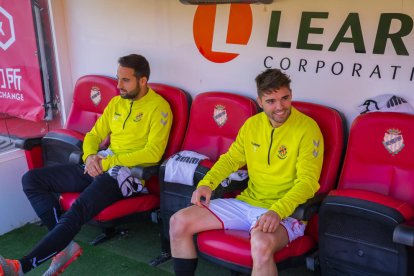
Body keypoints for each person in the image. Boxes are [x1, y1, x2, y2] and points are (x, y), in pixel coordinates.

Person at [0, 54, 172, 276]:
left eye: (125, 80)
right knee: (32, 180)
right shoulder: (116, 103)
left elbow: (153, 153)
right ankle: (65, 246)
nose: (118, 85)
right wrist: (90, 156)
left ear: (143, 81)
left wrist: (107, 161)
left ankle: (21, 268)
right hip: (99, 165)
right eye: (117, 78)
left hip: (125, 176)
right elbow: (93, 135)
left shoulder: (159, 107)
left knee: (78, 209)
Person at [169, 68, 324, 276]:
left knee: (260, 244)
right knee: (178, 222)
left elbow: (308, 182)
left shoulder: (308, 128)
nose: (280, 107)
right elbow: (232, 159)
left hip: (286, 212)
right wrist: (207, 183)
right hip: (246, 203)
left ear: (291, 95)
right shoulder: (252, 125)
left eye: (285, 98)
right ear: (260, 102)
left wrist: (277, 211)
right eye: (271, 101)